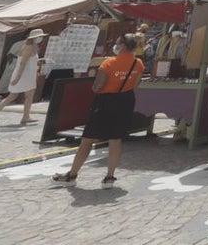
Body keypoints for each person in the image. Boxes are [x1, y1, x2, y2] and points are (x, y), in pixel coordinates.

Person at [51, 33, 145, 188]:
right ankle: (110, 176)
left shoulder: (109, 63)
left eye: (117, 42)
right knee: (115, 139)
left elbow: (97, 86)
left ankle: (72, 174)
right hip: (126, 100)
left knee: (87, 139)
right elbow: (136, 84)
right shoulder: (138, 63)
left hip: (106, 101)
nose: (115, 45)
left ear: (122, 46)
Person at [0, 28, 46, 127]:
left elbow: (29, 61)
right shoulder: (29, 47)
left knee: (28, 95)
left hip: (27, 75)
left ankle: (26, 116)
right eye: (40, 37)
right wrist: (17, 78)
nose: (41, 38)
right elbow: (22, 63)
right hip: (24, 75)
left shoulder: (32, 46)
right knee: (12, 96)